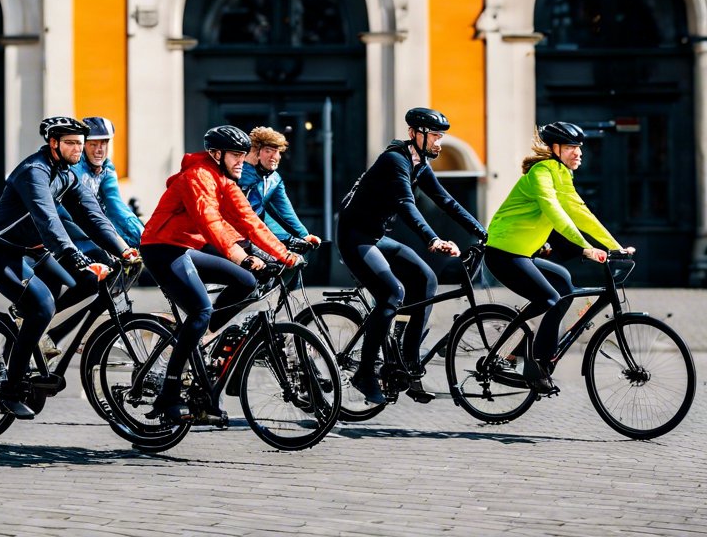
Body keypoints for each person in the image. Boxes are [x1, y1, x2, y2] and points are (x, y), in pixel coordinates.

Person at [0, 116, 140, 419]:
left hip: (34, 250)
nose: (78, 149)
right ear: (53, 144)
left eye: (80, 143)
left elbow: (91, 214)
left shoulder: (66, 174)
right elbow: (46, 217)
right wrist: (75, 255)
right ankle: (11, 391)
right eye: (71, 144)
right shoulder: (33, 171)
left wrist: (123, 248)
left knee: (86, 283)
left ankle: (46, 339)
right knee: (42, 305)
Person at [140, 125, 302, 423]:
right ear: (216, 154)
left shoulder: (224, 179)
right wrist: (242, 256)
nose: (242, 161)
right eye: (236, 155)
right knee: (201, 309)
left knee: (246, 282)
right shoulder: (198, 176)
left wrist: (284, 255)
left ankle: (200, 333)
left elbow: (250, 222)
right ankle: (169, 392)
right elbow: (210, 222)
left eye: (243, 155)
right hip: (161, 249)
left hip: (185, 249)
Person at [337, 108, 487, 405]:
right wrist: (432, 238)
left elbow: (446, 200)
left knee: (426, 279)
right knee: (393, 292)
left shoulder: (419, 164)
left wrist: (482, 231)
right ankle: (365, 373)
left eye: (440, 136)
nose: (438, 142)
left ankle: (408, 364)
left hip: (378, 239)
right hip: (356, 238)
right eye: (433, 136)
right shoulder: (395, 160)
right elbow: (406, 204)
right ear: (414, 134)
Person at [485, 121, 633, 393]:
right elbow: (555, 212)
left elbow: (580, 212)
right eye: (570, 148)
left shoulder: (562, 174)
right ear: (554, 149)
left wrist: (616, 246)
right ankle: (506, 355)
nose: (578, 153)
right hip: (503, 253)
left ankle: (534, 359)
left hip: (523, 254)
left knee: (563, 286)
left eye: (579, 148)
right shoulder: (541, 172)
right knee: (548, 297)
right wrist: (585, 248)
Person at [64, 116, 144, 250]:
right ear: (83, 146)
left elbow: (115, 205)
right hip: (71, 232)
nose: (99, 150)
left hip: (95, 226)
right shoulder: (73, 168)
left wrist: (143, 238)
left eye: (104, 143)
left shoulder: (107, 168)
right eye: (93, 144)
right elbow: (86, 212)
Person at [239, 126, 321, 246]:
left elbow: (284, 209)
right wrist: (286, 239)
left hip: (252, 236)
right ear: (255, 151)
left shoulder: (274, 178)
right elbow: (253, 213)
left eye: (277, 151)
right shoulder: (240, 174)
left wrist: (304, 235)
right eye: (268, 151)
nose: (274, 157)